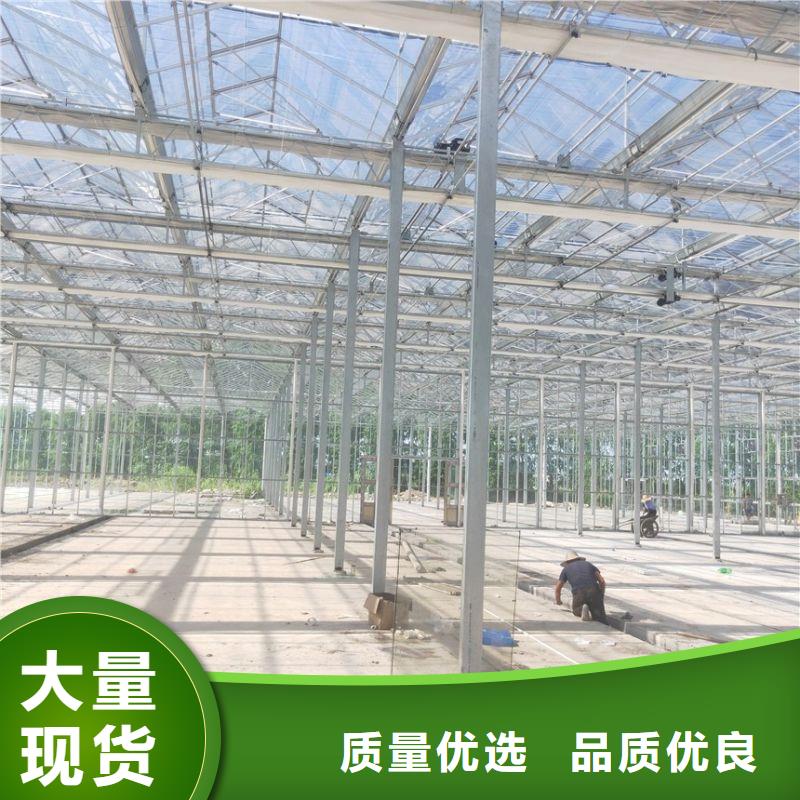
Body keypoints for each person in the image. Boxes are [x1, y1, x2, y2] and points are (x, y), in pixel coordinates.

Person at [554, 551, 607, 624]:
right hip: (593, 590)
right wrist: (601, 595)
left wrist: (558, 601)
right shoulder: (588, 564)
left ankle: (582, 610)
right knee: (599, 614)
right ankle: (600, 619)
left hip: (578, 593)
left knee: (576, 610)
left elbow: (558, 588)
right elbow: (602, 581)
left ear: (567, 562)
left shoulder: (566, 569)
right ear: (578, 559)